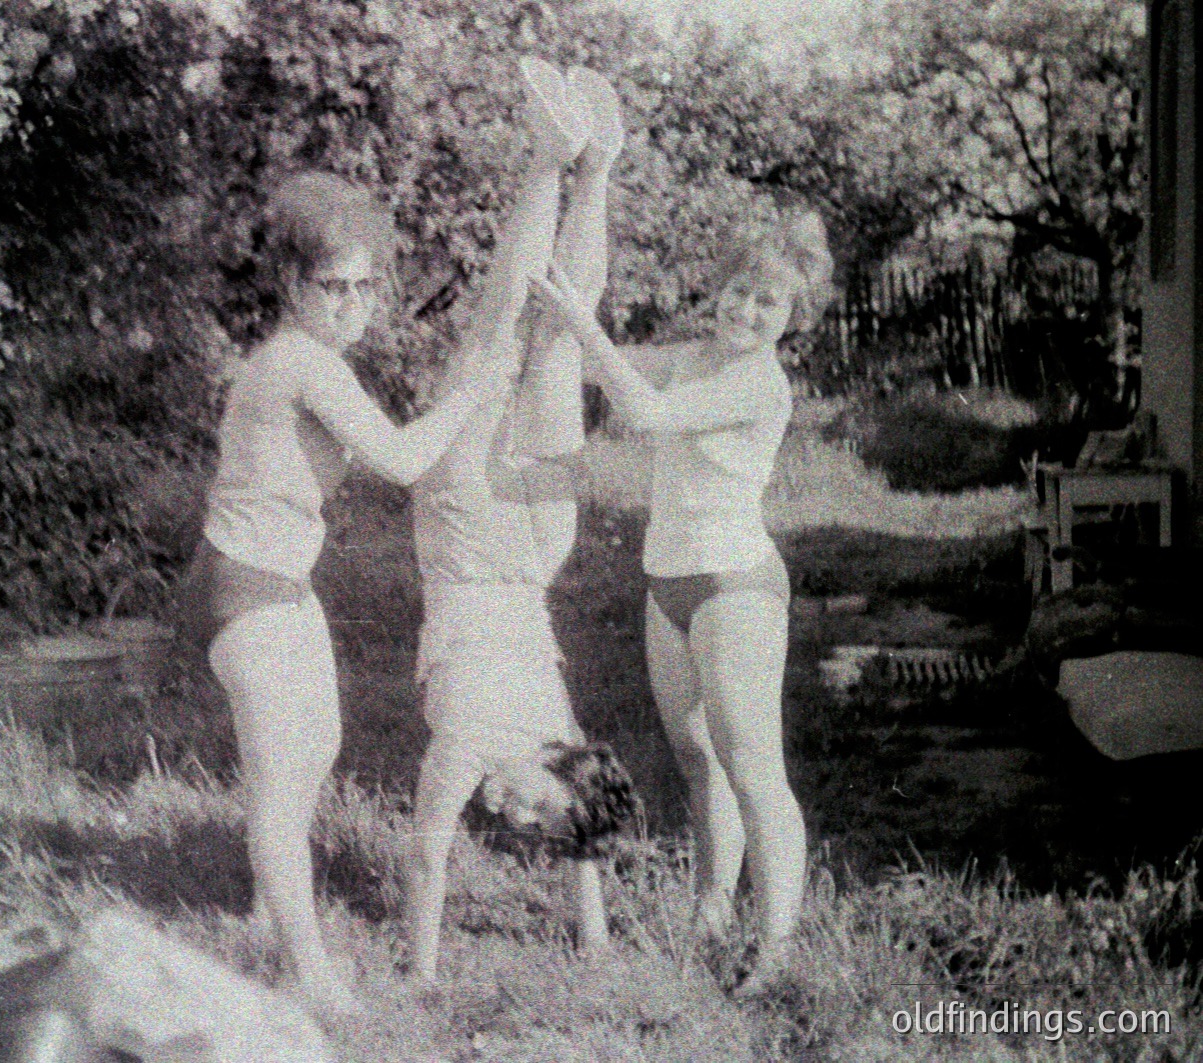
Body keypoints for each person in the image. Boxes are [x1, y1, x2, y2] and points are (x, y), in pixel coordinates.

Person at [188, 166, 513, 1015]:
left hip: (280, 583)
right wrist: (476, 391)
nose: (352, 303)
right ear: (293, 284)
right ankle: (308, 971)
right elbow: (404, 461)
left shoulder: (311, 357)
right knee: (284, 767)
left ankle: (270, 904)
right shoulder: (301, 360)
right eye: (333, 285)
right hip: (242, 585)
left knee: (320, 742)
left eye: (367, 284)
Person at [535, 207, 833, 995]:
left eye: (765, 303)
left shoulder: (757, 382)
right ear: (717, 291)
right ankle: (711, 908)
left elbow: (647, 411)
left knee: (752, 766)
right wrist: (556, 322)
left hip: (733, 586)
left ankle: (775, 948)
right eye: (736, 292)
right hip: (666, 585)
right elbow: (602, 368)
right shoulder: (693, 356)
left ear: (791, 319)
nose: (744, 310)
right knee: (698, 761)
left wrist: (580, 324)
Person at [404, 60, 636, 985]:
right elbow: (425, 857)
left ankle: (594, 164)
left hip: (530, 555)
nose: (514, 819)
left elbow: (574, 815)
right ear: (566, 772)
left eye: (524, 827)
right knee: (516, 328)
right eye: (535, 814)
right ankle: (560, 161)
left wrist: (597, 932)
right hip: (481, 547)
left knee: (549, 337)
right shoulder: (475, 739)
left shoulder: (554, 741)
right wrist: (420, 974)